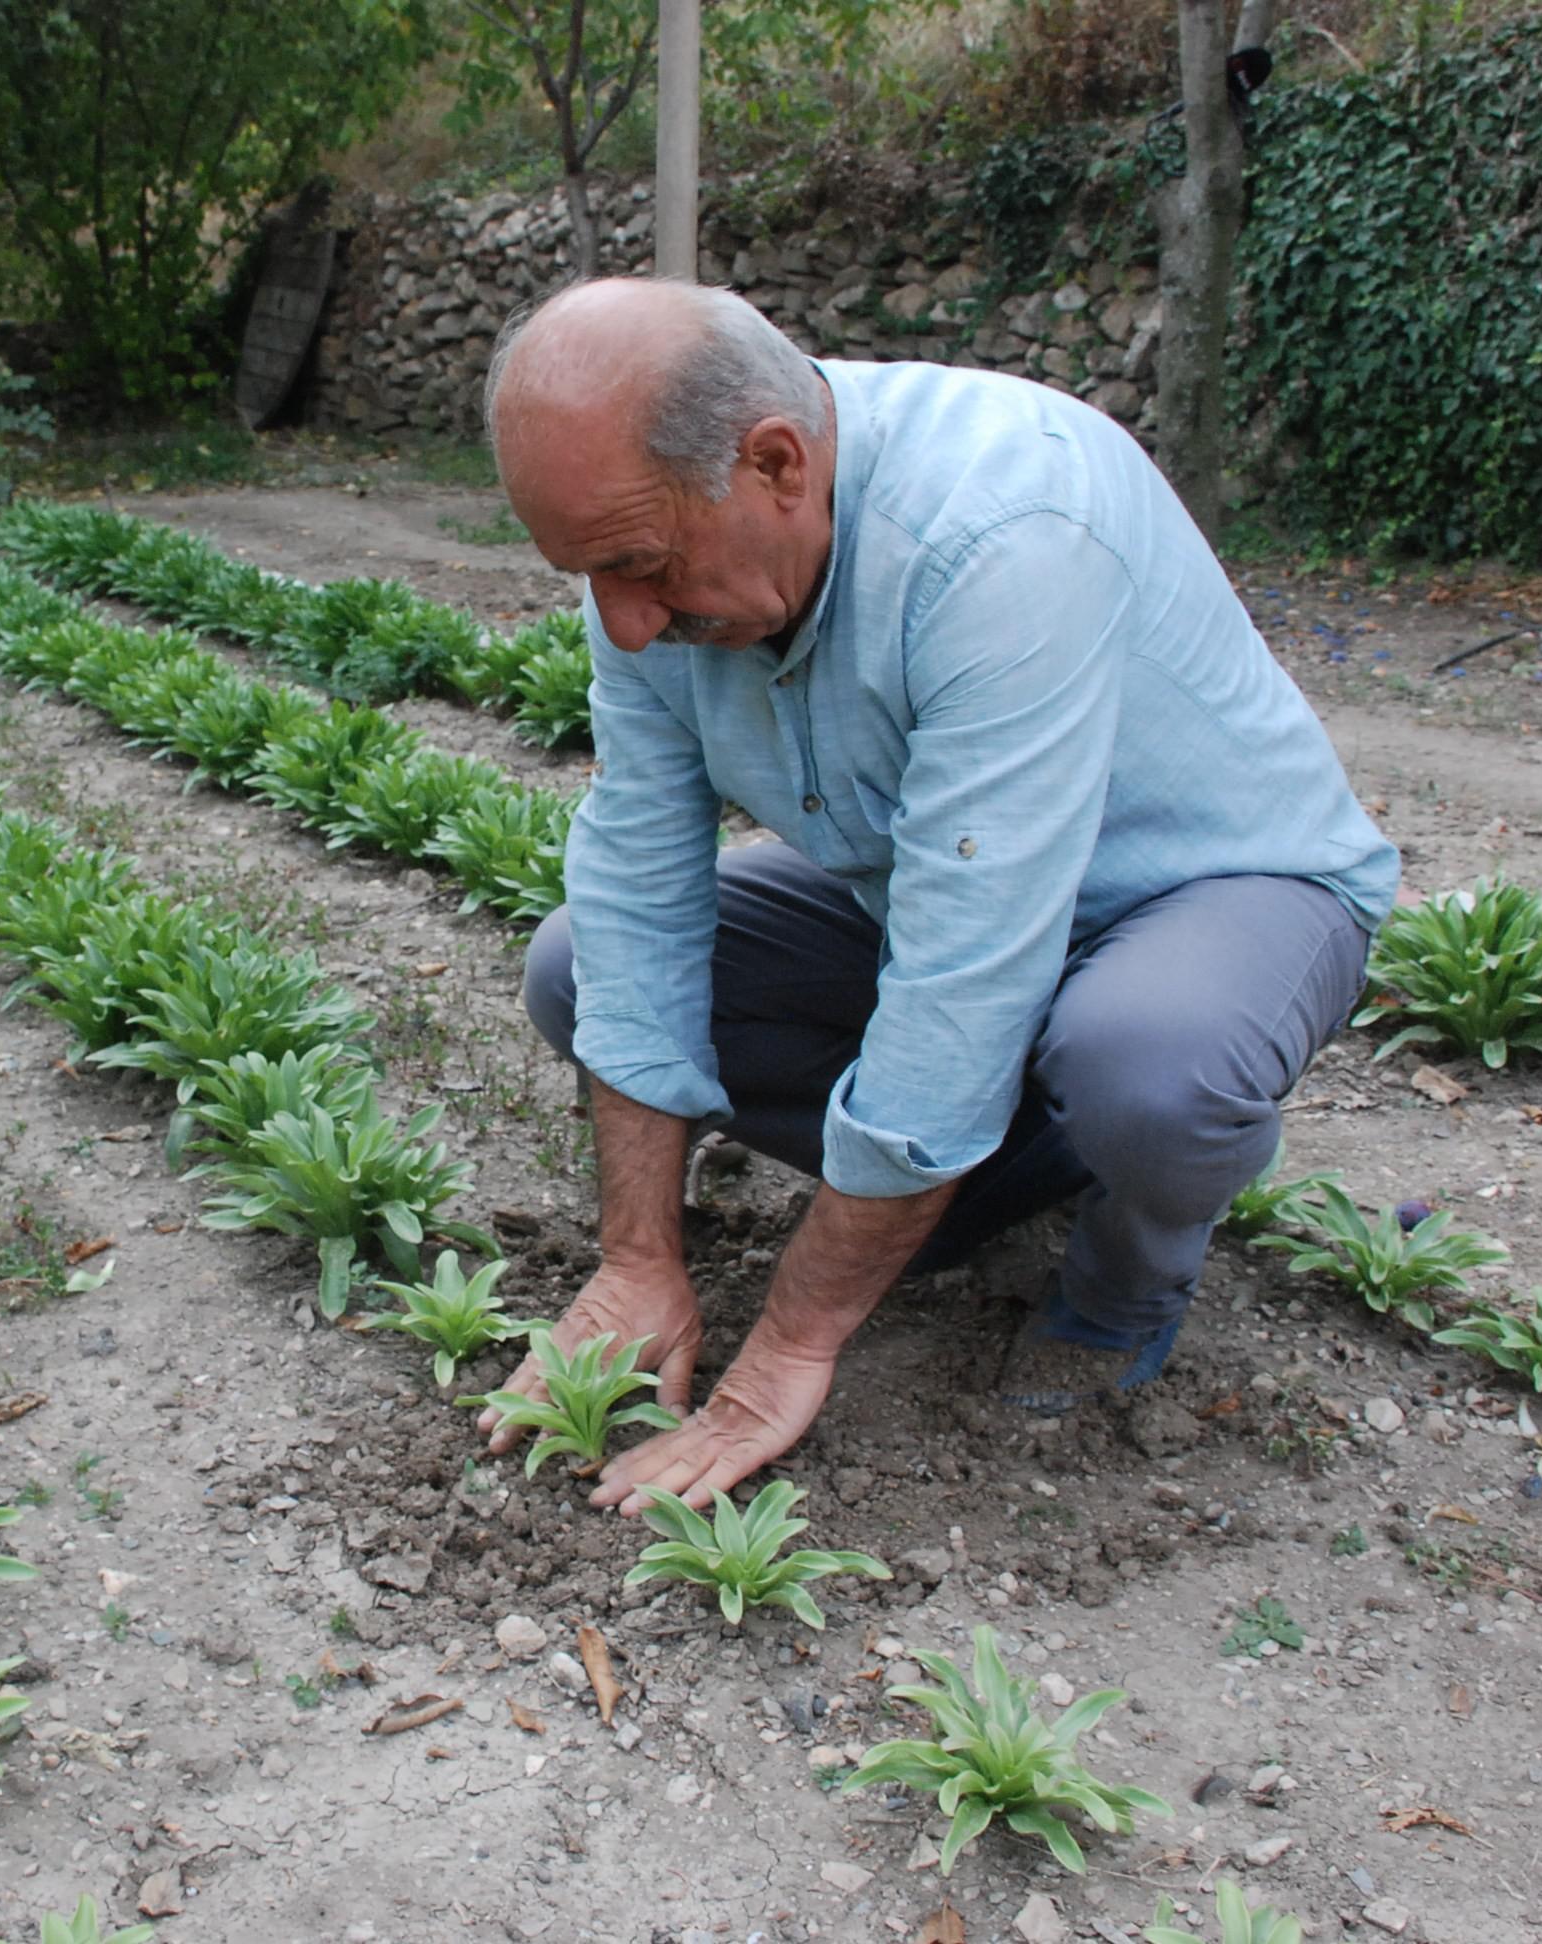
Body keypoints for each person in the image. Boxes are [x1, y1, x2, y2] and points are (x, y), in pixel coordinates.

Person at [477, 278, 1397, 1517]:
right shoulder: (642, 568)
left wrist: (791, 1345)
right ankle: (987, 1181)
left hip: (1203, 888)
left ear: (777, 464)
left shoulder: (1001, 533)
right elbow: (640, 886)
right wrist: (635, 1258)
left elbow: (964, 979)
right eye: (592, 576)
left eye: (643, 567)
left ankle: (1125, 1278)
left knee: (1148, 1066)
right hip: (929, 877)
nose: (626, 623)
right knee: (574, 964)